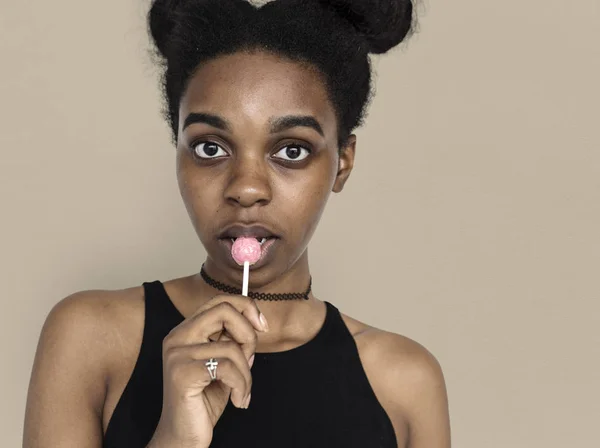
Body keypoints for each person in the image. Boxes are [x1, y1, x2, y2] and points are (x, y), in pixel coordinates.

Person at [23, 0, 451, 447]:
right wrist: (175, 438)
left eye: (291, 150)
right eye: (210, 148)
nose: (246, 189)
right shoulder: (89, 336)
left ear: (342, 163)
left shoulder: (404, 382)